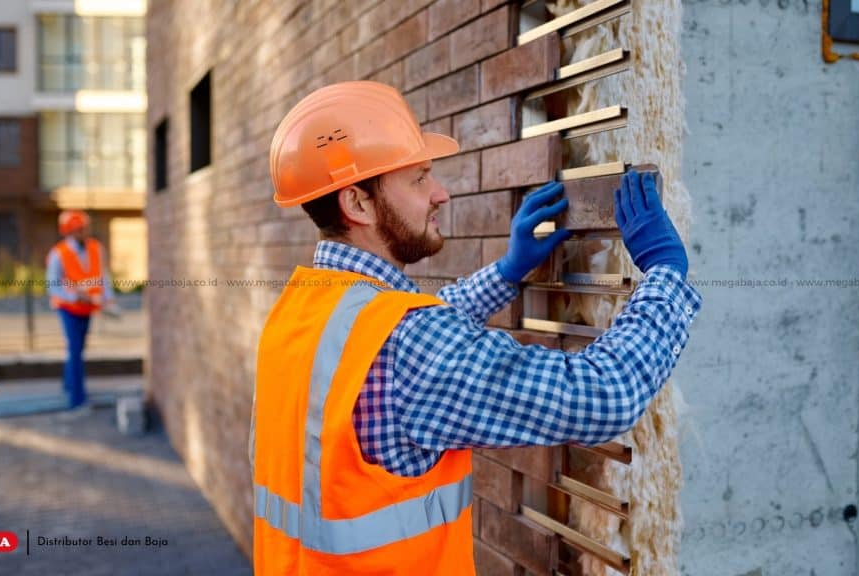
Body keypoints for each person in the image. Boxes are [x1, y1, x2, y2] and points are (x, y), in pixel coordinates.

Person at [251, 81, 702, 575]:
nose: (440, 193)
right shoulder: (408, 342)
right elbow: (603, 397)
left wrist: (508, 270)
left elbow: (410, 333)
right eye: (420, 178)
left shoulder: (301, 313)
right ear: (357, 204)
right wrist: (664, 277)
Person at [46, 210, 116, 410]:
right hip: (68, 308)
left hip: (87, 307)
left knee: (77, 349)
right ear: (69, 231)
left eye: (85, 228)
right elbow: (53, 285)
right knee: (75, 350)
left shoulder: (95, 248)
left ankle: (69, 385)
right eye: (79, 229)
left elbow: (102, 276)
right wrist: (75, 295)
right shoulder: (58, 253)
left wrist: (108, 298)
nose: (84, 232)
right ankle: (77, 398)